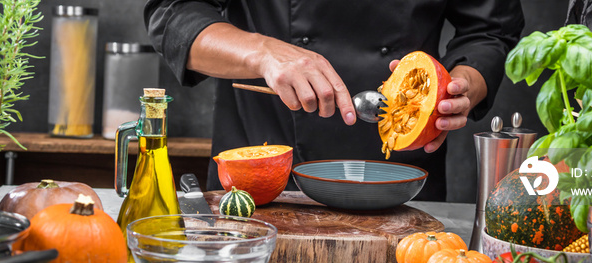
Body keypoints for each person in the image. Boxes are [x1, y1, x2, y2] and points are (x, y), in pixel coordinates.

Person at [144, 0, 524, 201]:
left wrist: (463, 85)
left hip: (402, 183)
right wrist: (261, 52)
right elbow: (173, 13)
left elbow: (491, 29)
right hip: (264, 173)